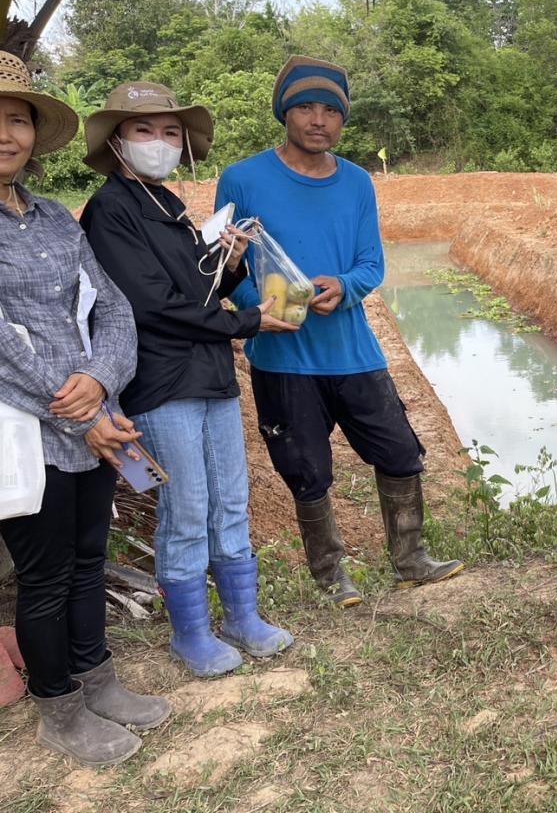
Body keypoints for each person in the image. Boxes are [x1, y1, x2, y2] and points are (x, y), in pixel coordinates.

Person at [215, 55, 463, 607]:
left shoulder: (356, 182)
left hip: (353, 351)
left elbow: (372, 264)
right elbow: (226, 268)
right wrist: (269, 309)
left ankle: (411, 559)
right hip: (282, 357)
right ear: (285, 112)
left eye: (330, 110)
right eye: (305, 106)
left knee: (399, 451)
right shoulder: (243, 178)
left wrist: (343, 288)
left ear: (343, 120)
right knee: (306, 471)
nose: (318, 119)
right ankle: (331, 577)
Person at [79, 82, 296, 676]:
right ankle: (192, 634)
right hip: (160, 381)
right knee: (187, 505)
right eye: (143, 130)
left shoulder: (170, 205)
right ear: (118, 142)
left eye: (170, 132)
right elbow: (148, 305)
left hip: (211, 375)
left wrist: (229, 266)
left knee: (230, 499)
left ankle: (243, 619)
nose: (159, 142)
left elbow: (196, 292)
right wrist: (247, 319)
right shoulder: (111, 209)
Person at [0, 52, 168, 766]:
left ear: (35, 134)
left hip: (92, 425)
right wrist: (77, 408)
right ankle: (58, 709)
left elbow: (113, 308)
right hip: (22, 429)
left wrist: (101, 381)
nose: (5, 133)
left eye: (15, 119)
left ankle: (97, 676)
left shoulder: (54, 220)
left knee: (87, 558)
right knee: (42, 576)